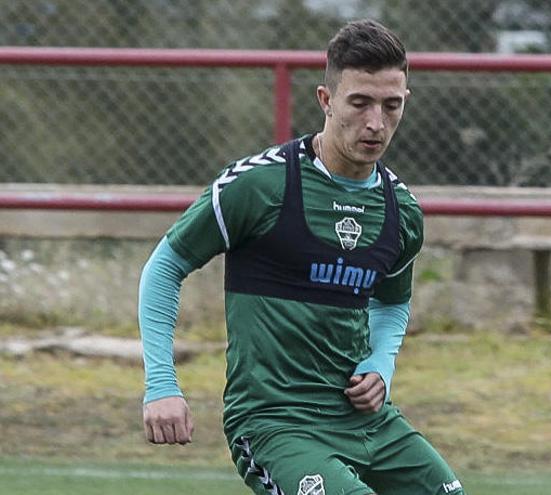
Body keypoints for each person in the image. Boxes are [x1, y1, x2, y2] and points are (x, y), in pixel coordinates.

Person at [138, 19, 466, 495]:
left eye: (390, 105)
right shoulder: (260, 186)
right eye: (360, 103)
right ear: (326, 100)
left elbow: (391, 304)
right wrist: (162, 385)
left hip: (367, 422)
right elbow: (165, 269)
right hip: (275, 423)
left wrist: (380, 365)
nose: (376, 122)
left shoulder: (402, 211)